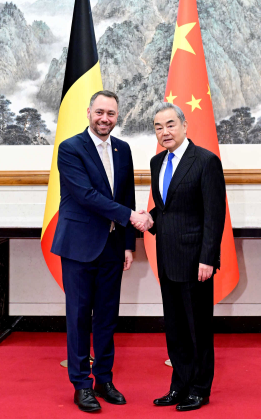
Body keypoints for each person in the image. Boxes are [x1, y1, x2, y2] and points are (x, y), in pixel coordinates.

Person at [51, 90, 153, 412]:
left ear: (117, 116)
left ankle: (104, 380)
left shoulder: (123, 149)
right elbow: (86, 195)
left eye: (111, 113)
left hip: (112, 247)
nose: (104, 118)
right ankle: (81, 384)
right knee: (80, 317)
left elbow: (125, 195)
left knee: (107, 318)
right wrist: (131, 217)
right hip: (79, 246)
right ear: (88, 113)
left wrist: (128, 244)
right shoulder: (70, 148)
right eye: (99, 112)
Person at [138, 102, 226, 412]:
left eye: (170, 124)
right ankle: (179, 385)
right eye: (158, 127)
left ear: (185, 126)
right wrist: (149, 219)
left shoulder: (206, 161)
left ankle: (200, 389)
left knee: (197, 329)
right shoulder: (156, 162)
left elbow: (214, 215)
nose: (165, 132)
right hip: (167, 259)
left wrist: (208, 258)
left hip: (195, 261)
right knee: (175, 329)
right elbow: (167, 208)